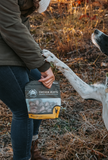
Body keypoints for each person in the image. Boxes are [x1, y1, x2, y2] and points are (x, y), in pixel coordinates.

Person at [0, 0, 55, 160]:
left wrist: (37, 59)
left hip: (8, 48)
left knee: (40, 91)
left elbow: (20, 28)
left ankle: (33, 151)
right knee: (24, 109)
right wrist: (42, 65)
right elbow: (12, 28)